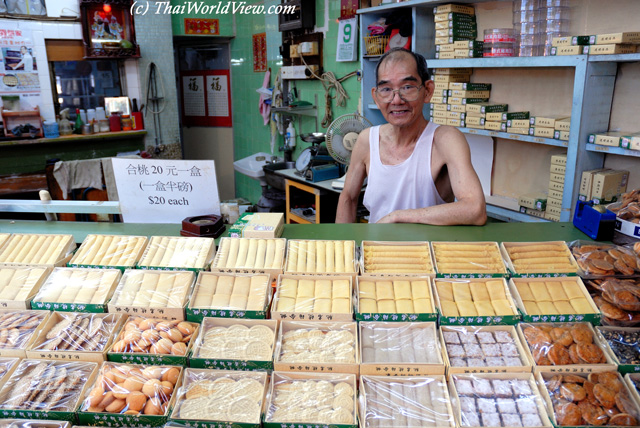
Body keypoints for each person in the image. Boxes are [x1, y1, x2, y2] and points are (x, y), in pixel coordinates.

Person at [336, 48, 487, 225]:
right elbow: (348, 198)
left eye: (407, 87)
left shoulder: (445, 139)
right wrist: (346, 248)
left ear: (428, 91)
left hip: (426, 251)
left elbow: (475, 209)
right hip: (376, 250)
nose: (396, 100)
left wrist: (398, 216)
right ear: (376, 97)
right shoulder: (366, 140)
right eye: (386, 89)